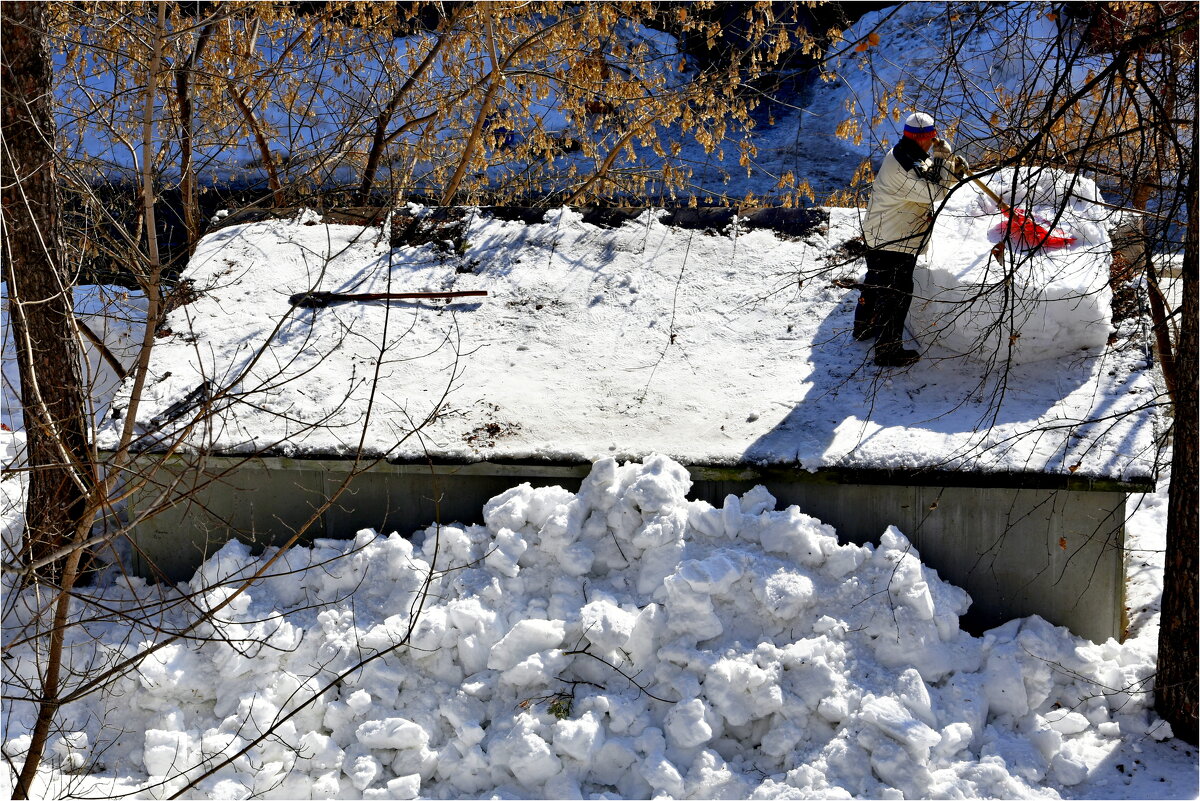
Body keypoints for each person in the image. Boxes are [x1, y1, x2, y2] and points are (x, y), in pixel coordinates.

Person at [855, 112, 967, 366]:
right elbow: (933, 191)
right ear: (924, 137)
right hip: (893, 239)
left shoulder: (907, 153)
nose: (934, 142)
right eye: (932, 138)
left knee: (876, 282)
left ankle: (863, 327)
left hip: (884, 232)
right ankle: (887, 350)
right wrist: (942, 161)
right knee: (896, 293)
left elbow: (929, 175)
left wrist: (949, 166)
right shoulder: (903, 166)